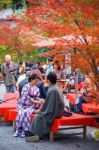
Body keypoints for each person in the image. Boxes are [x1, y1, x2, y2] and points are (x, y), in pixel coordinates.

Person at [26, 72, 64, 142]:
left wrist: (41, 111)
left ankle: (37, 135)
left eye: (46, 78)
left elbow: (49, 106)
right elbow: (50, 103)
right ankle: (33, 133)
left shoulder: (52, 90)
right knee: (40, 114)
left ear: (49, 80)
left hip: (55, 112)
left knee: (39, 116)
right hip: (58, 110)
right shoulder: (55, 88)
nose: (45, 80)